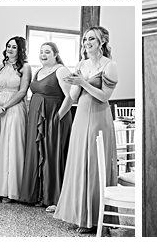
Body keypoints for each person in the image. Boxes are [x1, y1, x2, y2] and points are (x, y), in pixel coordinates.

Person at [56, 26, 120, 233]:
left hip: (99, 117)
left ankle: (97, 219)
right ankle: (80, 216)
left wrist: (83, 82)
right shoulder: (81, 64)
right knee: (78, 163)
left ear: (102, 41)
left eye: (91, 39)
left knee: (95, 165)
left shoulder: (110, 66)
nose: (86, 42)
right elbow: (73, 95)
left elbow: (103, 96)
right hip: (81, 117)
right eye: (84, 39)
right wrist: (59, 115)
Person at [20, 42, 75, 211]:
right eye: (41, 52)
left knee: (52, 155)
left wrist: (58, 117)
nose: (43, 55)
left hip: (54, 117)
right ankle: (38, 194)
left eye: (47, 52)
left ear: (56, 54)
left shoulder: (61, 70)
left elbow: (70, 97)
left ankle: (54, 198)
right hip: (36, 118)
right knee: (36, 154)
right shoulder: (38, 71)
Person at [0, 36, 30, 202]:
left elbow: (22, 91)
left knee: (11, 146)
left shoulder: (25, 68)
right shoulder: (0, 67)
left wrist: (5, 106)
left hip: (14, 108)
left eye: (13, 47)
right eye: (8, 46)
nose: (10, 49)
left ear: (20, 50)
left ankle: (11, 191)